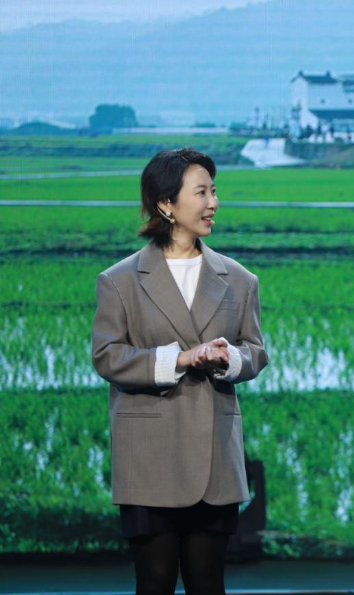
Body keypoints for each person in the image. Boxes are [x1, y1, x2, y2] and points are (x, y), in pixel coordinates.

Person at [92, 148, 268, 595]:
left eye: (214, 191)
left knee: (208, 582)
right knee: (154, 582)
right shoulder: (120, 280)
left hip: (214, 456)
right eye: (201, 192)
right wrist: (181, 359)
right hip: (149, 455)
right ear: (166, 204)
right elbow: (107, 356)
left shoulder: (239, 279)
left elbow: (255, 352)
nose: (213, 203)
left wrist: (229, 358)